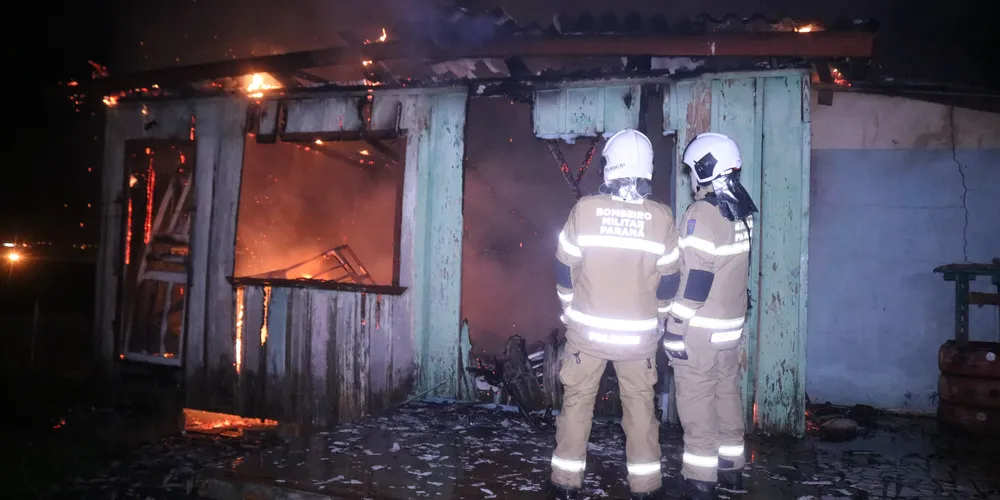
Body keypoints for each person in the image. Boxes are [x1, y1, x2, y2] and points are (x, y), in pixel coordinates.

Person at [550, 128, 681, 500]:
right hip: (638, 340)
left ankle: (565, 485)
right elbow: (670, 279)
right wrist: (659, 316)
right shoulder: (662, 218)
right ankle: (645, 487)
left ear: (610, 166)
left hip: (586, 335)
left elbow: (564, 267)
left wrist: (568, 307)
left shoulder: (585, 210)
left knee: (576, 406)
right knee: (640, 411)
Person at [663, 132, 758, 499]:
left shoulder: (702, 213)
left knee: (698, 402)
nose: (691, 177)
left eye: (692, 169)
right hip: (729, 329)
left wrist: (675, 326)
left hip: (700, 331)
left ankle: (698, 481)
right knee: (726, 396)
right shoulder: (740, 209)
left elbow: (697, 281)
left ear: (705, 167)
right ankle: (731, 470)